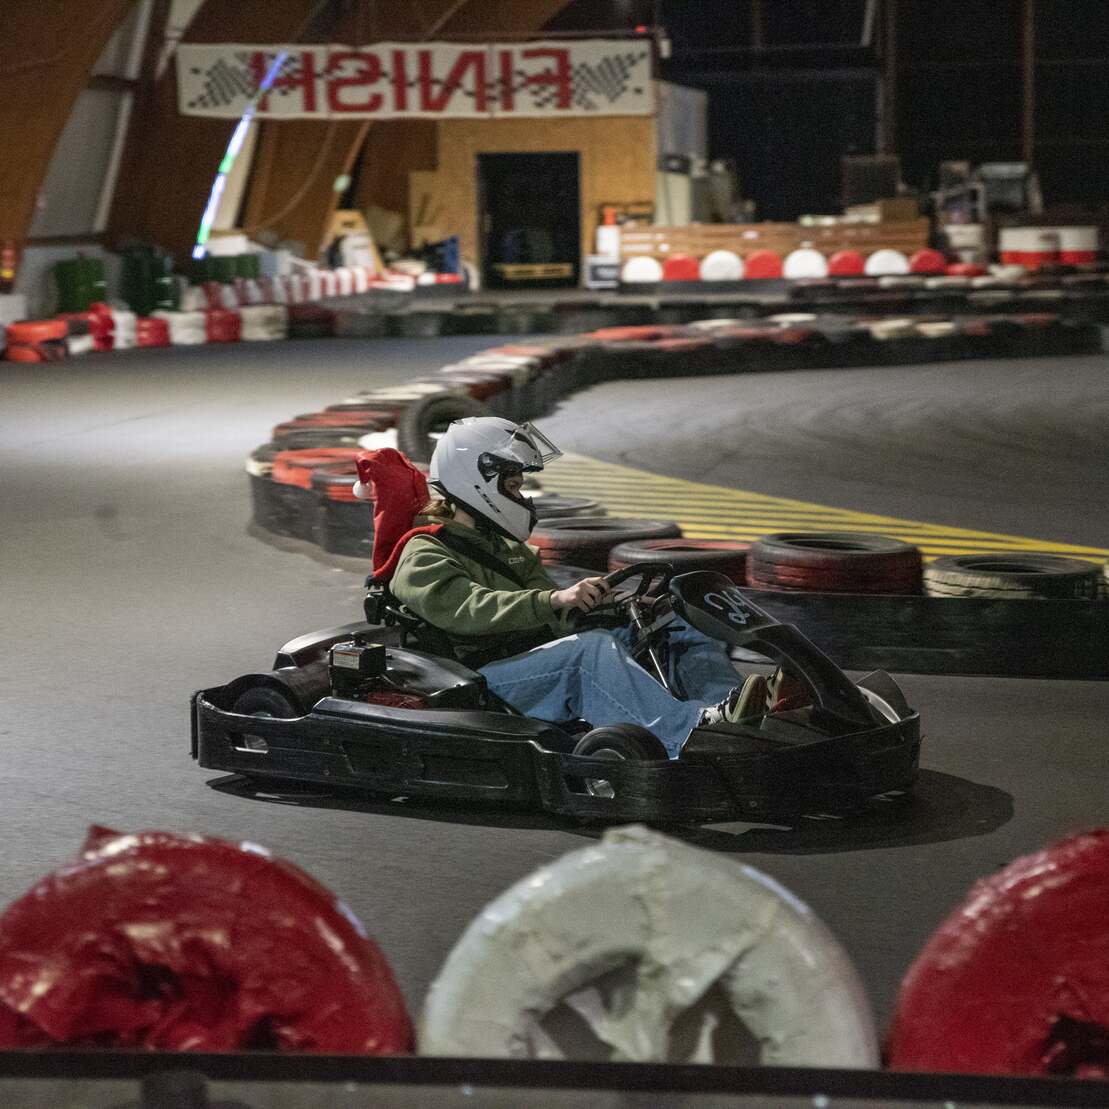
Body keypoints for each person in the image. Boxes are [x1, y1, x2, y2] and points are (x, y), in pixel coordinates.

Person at [388, 416, 778, 757]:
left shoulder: (508, 550)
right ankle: (689, 730)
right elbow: (466, 610)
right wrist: (554, 598)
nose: (520, 496)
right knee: (587, 653)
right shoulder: (423, 550)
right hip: (480, 680)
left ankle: (728, 710)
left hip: (531, 657)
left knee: (671, 621)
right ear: (477, 481)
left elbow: (551, 620)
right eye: (511, 484)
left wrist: (613, 606)